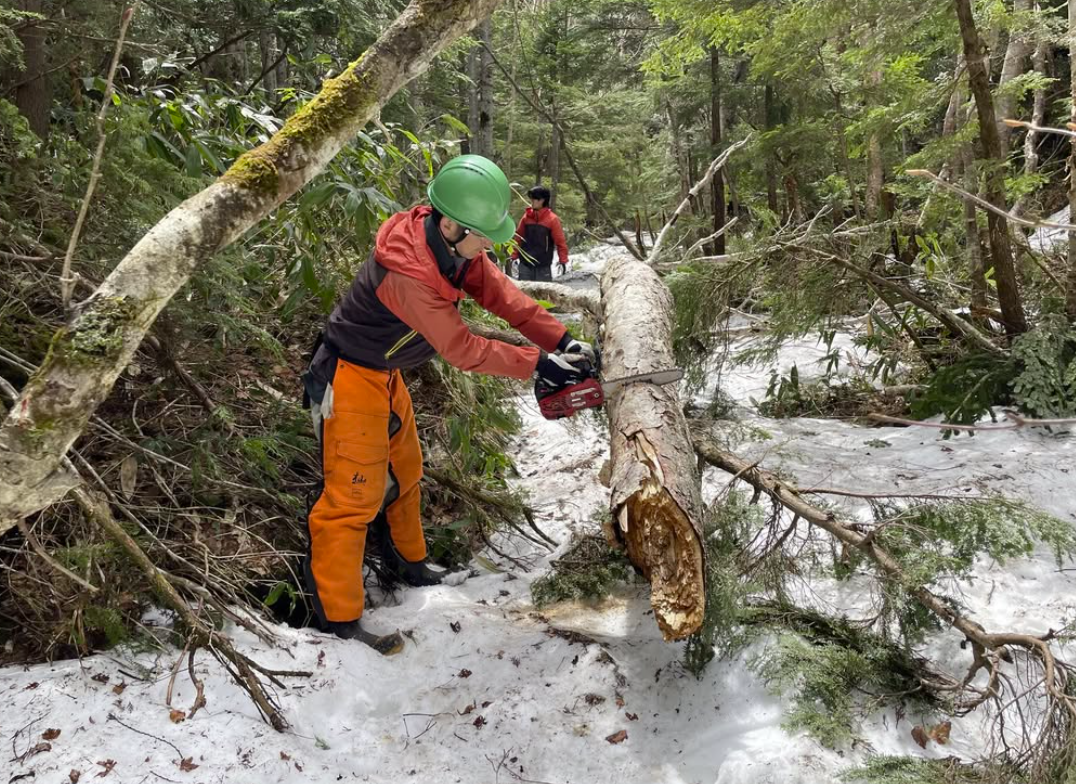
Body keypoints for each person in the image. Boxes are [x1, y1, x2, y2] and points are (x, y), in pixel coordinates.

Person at [301, 155, 595, 652]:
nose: (489, 247)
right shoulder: (409, 274)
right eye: (484, 236)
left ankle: (410, 566)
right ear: (451, 224)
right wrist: (537, 365)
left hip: (385, 375)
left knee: (407, 471)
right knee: (352, 499)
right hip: (348, 378)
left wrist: (561, 340)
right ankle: (338, 620)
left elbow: (504, 295)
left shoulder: (453, 246)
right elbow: (461, 348)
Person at [512, 185, 569, 281]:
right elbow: (518, 237)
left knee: (543, 295)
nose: (531, 201)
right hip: (525, 265)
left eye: (534, 199)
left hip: (543, 266)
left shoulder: (552, 219)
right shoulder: (526, 217)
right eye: (531, 199)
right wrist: (513, 256)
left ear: (542, 200)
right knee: (524, 294)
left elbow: (560, 242)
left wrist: (563, 261)